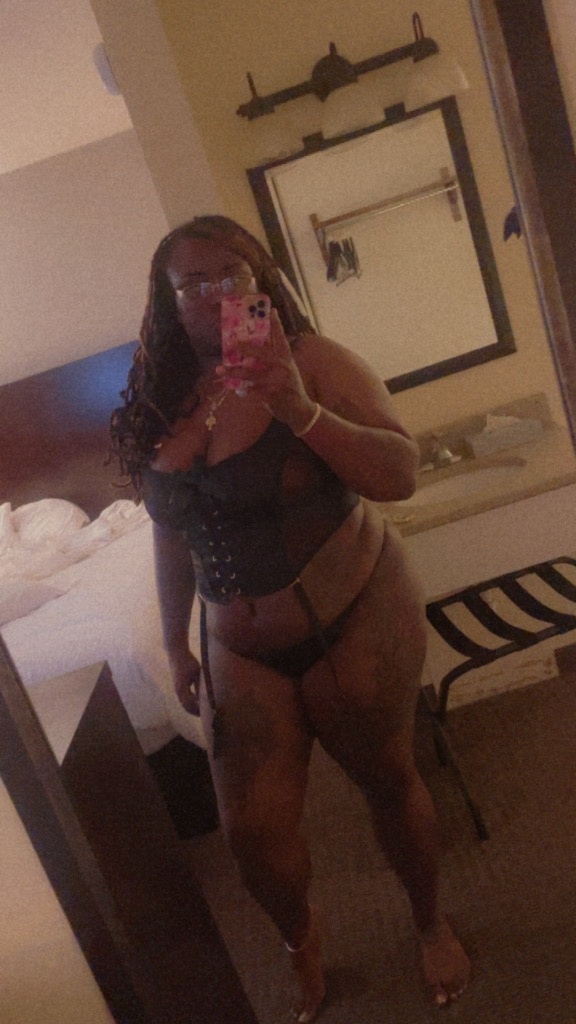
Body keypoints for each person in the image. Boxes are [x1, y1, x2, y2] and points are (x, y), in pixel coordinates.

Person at [110, 215, 470, 1020]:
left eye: (230, 276)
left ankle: (429, 921)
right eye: (192, 284)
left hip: (351, 612)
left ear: (261, 281)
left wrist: (299, 409)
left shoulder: (315, 363)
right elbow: (170, 532)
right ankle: (300, 938)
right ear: (167, 301)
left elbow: (400, 475)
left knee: (389, 781)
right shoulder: (161, 402)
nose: (214, 296)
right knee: (250, 835)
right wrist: (173, 639)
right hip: (238, 647)